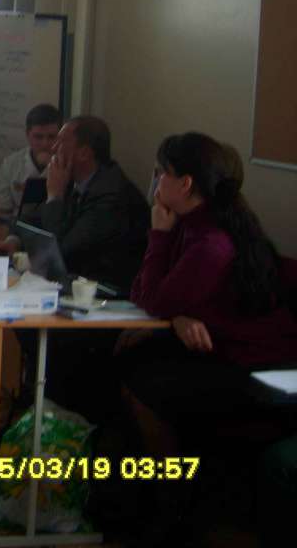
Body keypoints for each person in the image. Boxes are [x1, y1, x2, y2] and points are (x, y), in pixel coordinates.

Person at [116, 132, 297, 543]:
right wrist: (177, 316)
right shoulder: (191, 224)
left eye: (161, 173)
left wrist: (158, 236)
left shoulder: (211, 241)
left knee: (143, 383)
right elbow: (156, 297)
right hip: (219, 350)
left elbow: (151, 300)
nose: (154, 181)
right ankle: (152, 496)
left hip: (256, 367)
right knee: (131, 360)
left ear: (185, 184)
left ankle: (172, 504)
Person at [0, 116, 150, 291]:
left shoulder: (112, 196)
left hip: (106, 292)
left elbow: (62, 252)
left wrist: (54, 197)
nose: (53, 148)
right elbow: (31, 220)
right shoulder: (73, 181)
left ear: (84, 153)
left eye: (60, 143)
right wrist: (14, 240)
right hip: (76, 283)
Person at [0, 103, 62, 217]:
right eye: (38, 137)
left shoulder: (69, 162)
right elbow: (0, 209)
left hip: (57, 223)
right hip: (18, 223)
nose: (45, 144)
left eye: (51, 137)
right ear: (27, 135)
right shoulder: (11, 163)